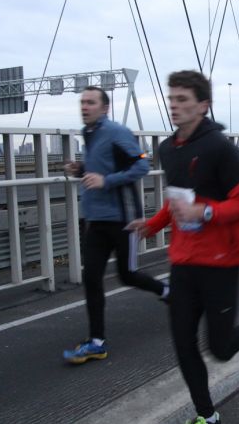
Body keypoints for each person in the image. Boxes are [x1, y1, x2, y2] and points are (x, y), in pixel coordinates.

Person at [129, 70, 239, 424]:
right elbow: (178, 199)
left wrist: (206, 212)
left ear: (203, 105)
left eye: (183, 99)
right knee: (183, 346)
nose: (174, 105)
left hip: (221, 261)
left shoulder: (220, 147)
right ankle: (209, 421)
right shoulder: (168, 149)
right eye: (172, 98)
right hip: (184, 261)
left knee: (220, 349)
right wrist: (153, 225)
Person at [62, 86, 169, 364]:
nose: (85, 107)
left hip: (123, 219)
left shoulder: (117, 132)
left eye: (91, 102)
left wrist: (106, 181)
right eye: (82, 102)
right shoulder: (89, 133)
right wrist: (81, 170)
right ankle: (96, 342)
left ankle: (167, 292)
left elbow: (142, 164)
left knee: (127, 275)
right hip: (96, 219)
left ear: (105, 107)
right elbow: (103, 168)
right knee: (91, 278)